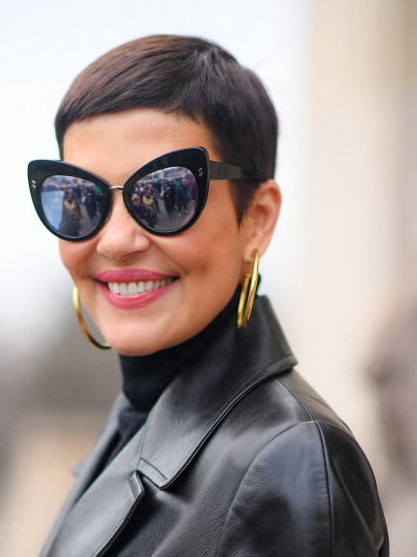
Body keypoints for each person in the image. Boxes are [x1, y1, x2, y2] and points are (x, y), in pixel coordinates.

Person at [27, 34, 388, 556]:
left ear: (256, 219)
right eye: (79, 199)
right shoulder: (140, 417)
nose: (115, 241)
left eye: (166, 193)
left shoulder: (291, 461)